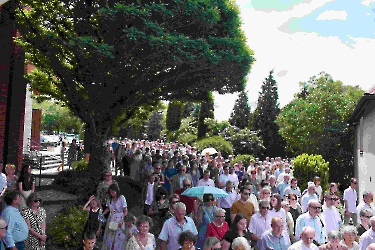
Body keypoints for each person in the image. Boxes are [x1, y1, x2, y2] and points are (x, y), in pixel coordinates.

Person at [101, 184, 128, 250]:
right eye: (110, 192)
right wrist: (102, 214)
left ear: (117, 191)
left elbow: (125, 211)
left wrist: (122, 220)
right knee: (110, 235)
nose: (111, 194)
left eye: (112, 192)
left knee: (118, 236)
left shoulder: (121, 198)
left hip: (119, 218)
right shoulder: (110, 199)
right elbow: (108, 208)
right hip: (112, 218)